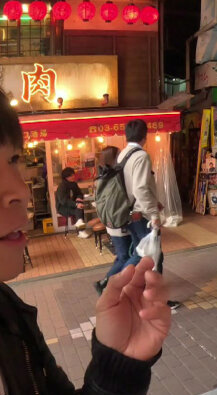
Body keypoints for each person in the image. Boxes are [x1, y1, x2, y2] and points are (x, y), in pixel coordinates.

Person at [0, 93, 217, 395]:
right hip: (135, 219)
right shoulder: (140, 158)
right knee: (137, 259)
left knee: (130, 261)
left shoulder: (8, 314)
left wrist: (119, 363)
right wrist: (152, 214)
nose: (19, 192)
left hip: (118, 223)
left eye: (13, 160)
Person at [115, 120, 180, 309]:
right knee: (154, 257)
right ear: (145, 135)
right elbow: (140, 188)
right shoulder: (141, 156)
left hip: (131, 213)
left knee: (141, 255)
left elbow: (133, 187)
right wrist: (153, 214)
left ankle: (129, 291)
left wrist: (153, 201)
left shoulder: (123, 155)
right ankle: (156, 299)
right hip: (142, 215)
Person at [93, 146, 132, 295]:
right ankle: (104, 283)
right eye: (119, 154)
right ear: (114, 157)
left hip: (111, 221)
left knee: (123, 255)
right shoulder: (116, 174)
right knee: (125, 256)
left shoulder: (103, 174)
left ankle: (113, 283)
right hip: (119, 220)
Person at [55, 167, 91, 238]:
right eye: (71, 175)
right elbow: (63, 201)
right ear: (66, 177)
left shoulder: (74, 184)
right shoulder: (61, 186)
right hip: (63, 207)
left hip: (72, 205)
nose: (73, 176)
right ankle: (81, 231)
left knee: (79, 208)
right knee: (78, 210)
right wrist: (76, 204)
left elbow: (79, 193)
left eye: (73, 175)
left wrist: (78, 197)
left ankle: (81, 229)